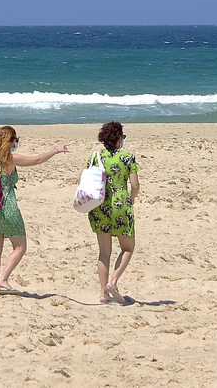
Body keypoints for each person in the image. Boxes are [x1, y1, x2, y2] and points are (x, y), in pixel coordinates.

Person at [0, 125, 68, 297]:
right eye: (15, 140)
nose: (16, 143)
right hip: (8, 206)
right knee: (20, 246)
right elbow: (37, 160)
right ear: (8, 141)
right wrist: (56, 150)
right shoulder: (10, 159)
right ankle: (3, 279)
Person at [86, 121, 140, 304]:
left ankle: (103, 294)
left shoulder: (95, 157)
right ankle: (113, 282)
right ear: (118, 138)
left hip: (98, 206)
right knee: (127, 248)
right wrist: (132, 198)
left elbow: (83, 179)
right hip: (120, 205)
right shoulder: (127, 157)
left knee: (104, 252)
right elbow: (134, 185)